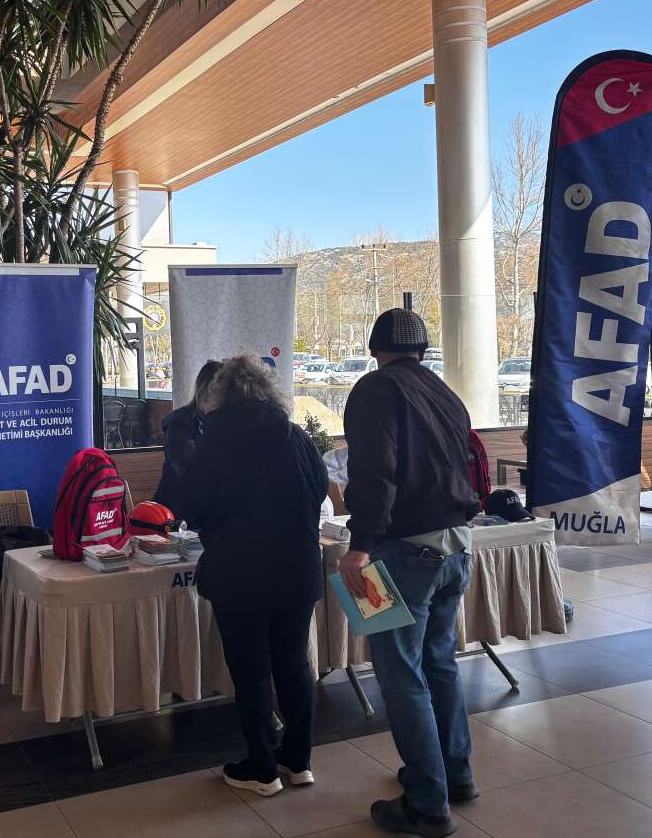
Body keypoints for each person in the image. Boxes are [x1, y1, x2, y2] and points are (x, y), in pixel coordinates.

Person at [339, 309, 479, 838]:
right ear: (423, 350)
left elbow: (374, 472)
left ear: (376, 349)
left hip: (401, 554)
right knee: (439, 663)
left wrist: (359, 546)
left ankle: (426, 803)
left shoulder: (374, 389)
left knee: (400, 676)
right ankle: (455, 775)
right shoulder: (444, 392)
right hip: (455, 548)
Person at [172, 354, 327, 797]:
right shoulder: (296, 436)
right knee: (295, 665)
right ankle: (298, 761)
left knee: (252, 671)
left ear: (221, 394)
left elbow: (190, 504)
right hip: (297, 569)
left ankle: (261, 768)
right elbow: (319, 491)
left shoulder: (217, 442)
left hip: (239, 573)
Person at [154, 359, 221, 509]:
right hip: (175, 511)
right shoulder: (179, 423)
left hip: (206, 506)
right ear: (206, 392)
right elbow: (188, 468)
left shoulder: (222, 422)